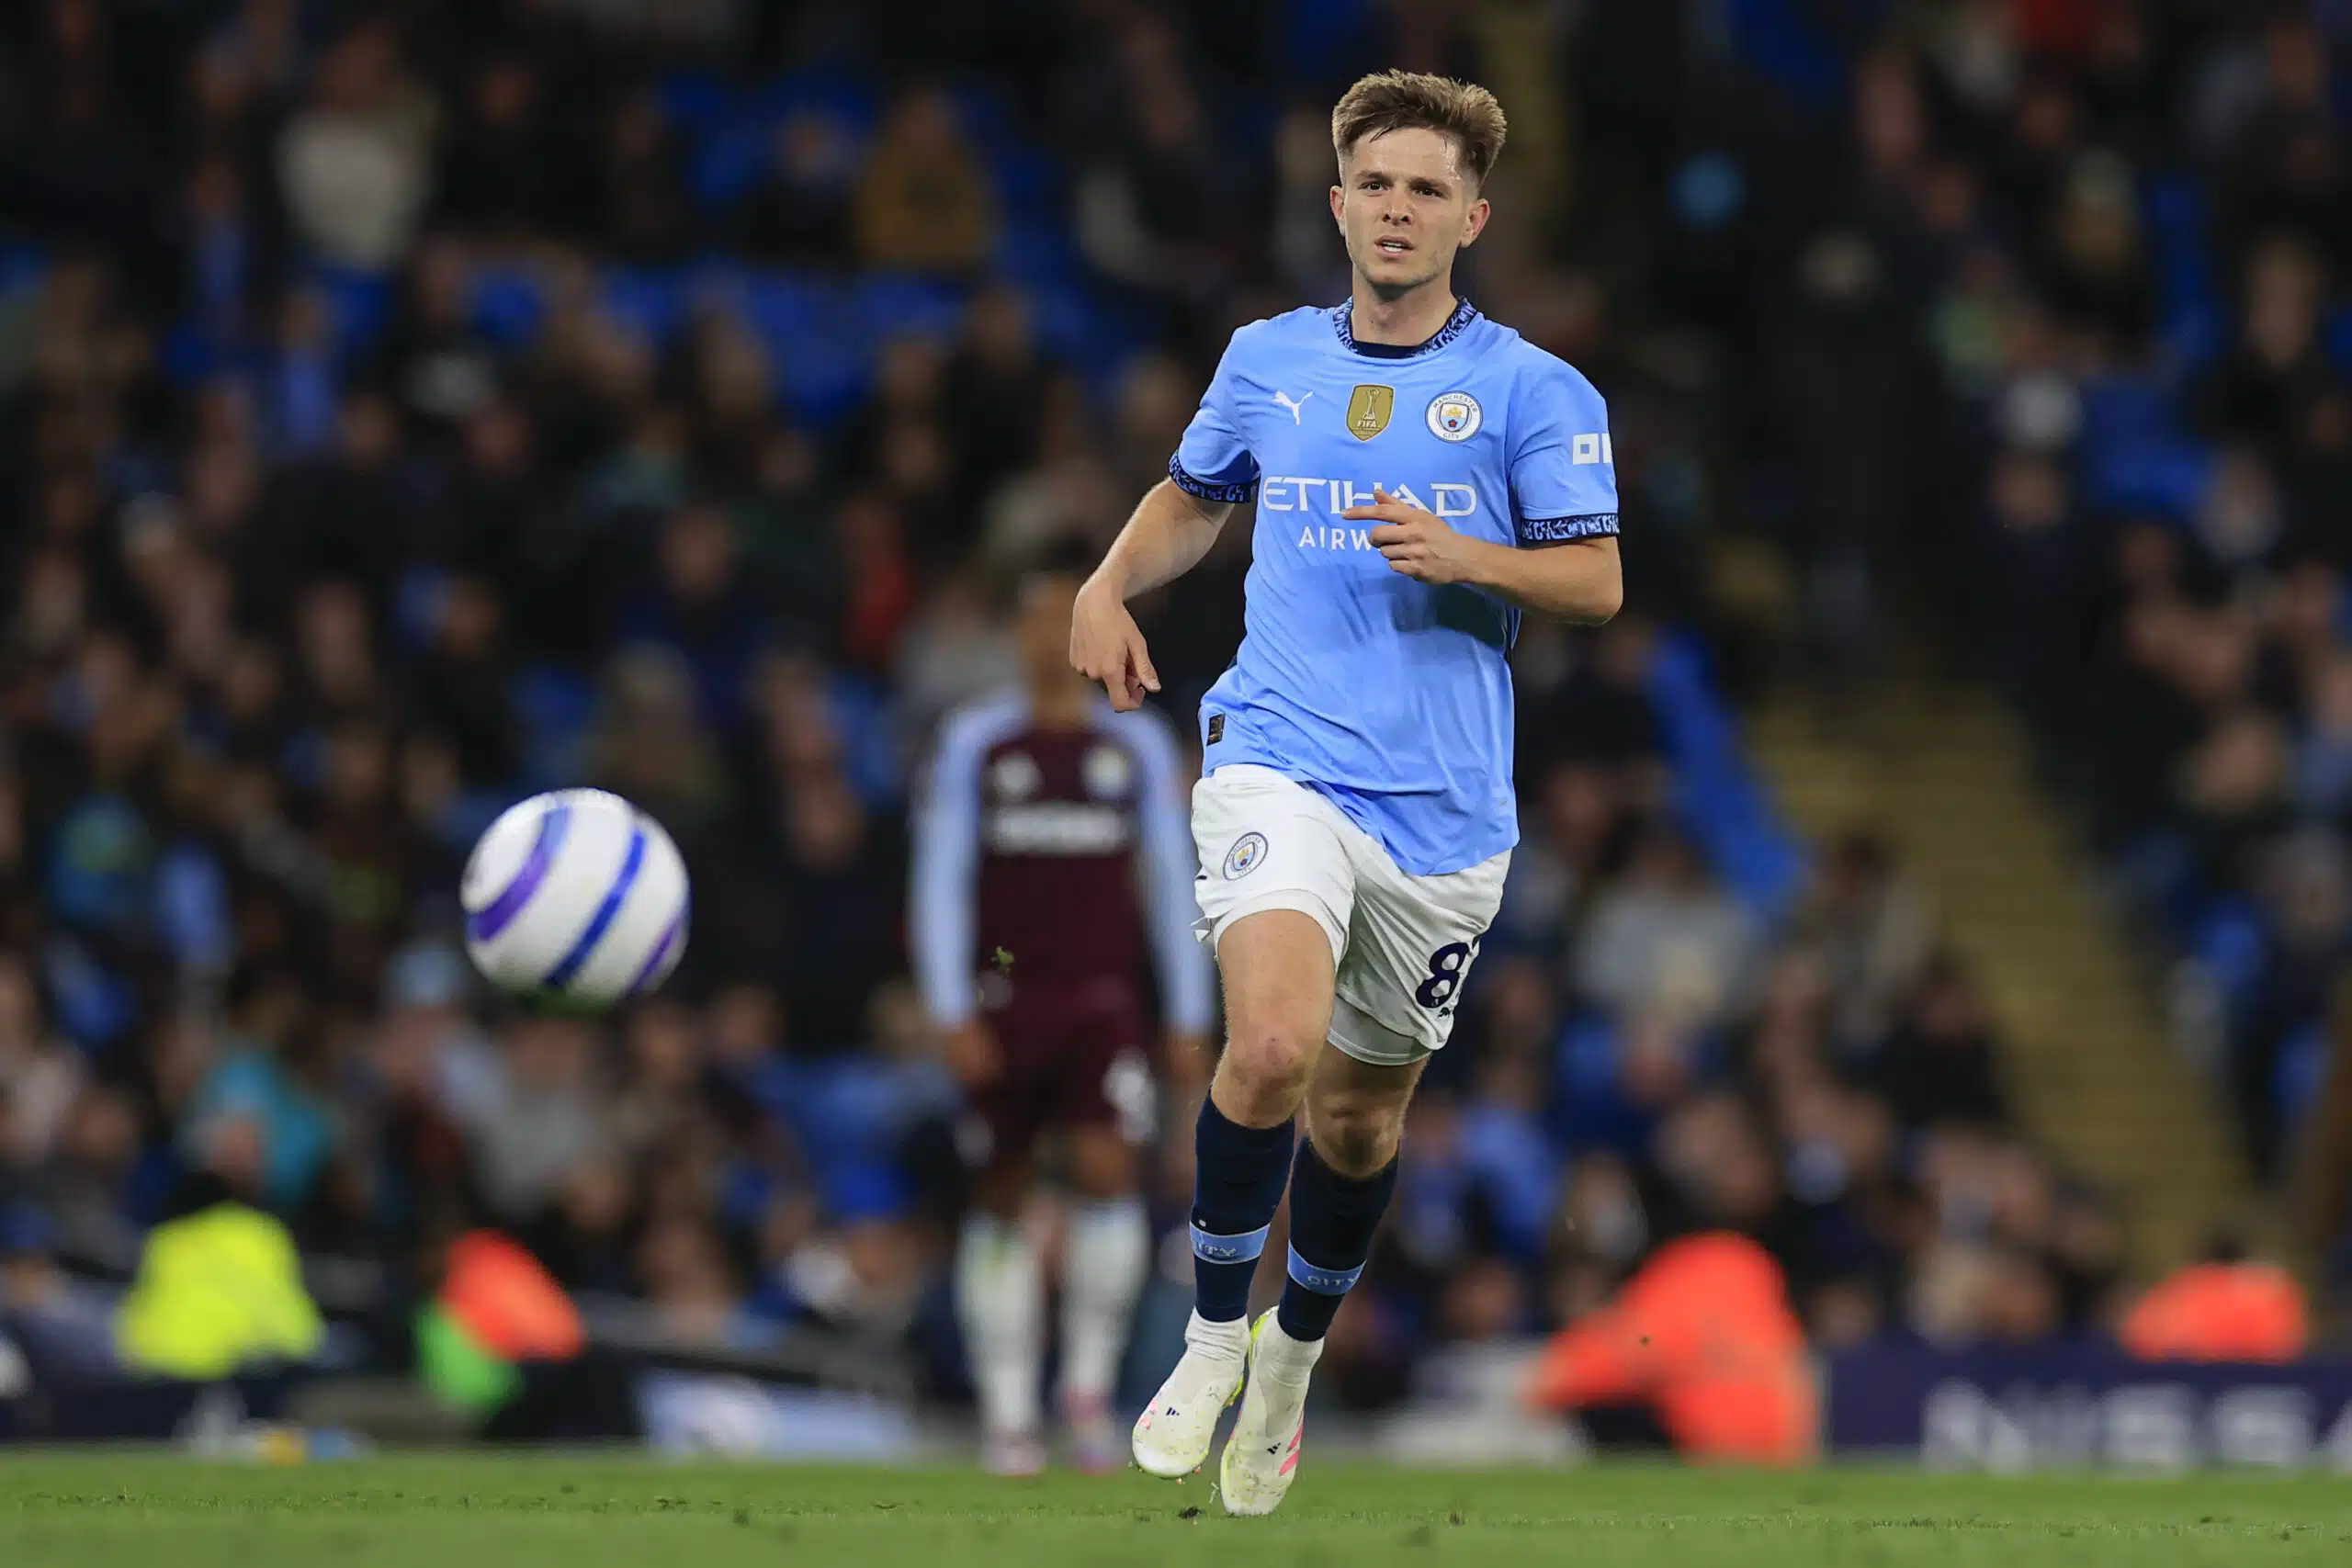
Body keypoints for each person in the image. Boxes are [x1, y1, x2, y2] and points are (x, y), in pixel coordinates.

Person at [1069, 71, 1623, 1516]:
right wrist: (1107, 580)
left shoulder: (1534, 389)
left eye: (1427, 189)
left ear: (1471, 219)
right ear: (1336, 203)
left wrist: (1470, 555)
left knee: (1361, 1123)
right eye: (1376, 183)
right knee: (1268, 1043)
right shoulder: (1267, 358)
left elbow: (1597, 578)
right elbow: (1193, 496)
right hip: (1279, 753)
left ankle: (1290, 1359)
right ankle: (1209, 1334)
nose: (1397, 208)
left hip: (1443, 815)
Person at [910, 541, 1215, 1475]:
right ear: (1017, 633)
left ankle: (1084, 1395)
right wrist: (950, 1005)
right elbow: (943, 878)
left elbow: (1170, 879)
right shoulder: (976, 742)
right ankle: (1008, 1411)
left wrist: (1187, 1010)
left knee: (1106, 1175)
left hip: (1102, 996)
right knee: (1001, 1186)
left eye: (1067, 617)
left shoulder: (1134, 743)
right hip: (1005, 991)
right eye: (1039, 618)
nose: (1053, 636)